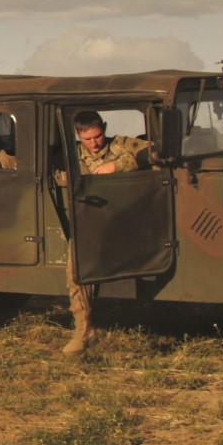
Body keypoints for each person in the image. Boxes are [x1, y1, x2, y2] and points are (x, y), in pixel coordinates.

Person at [59, 111, 150, 357]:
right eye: (87, 139)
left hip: (123, 219)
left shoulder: (121, 144)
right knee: (76, 271)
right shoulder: (70, 154)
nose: (94, 143)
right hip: (89, 220)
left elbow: (153, 151)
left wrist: (118, 165)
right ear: (78, 135)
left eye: (98, 136)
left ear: (104, 128)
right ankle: (83, 330)